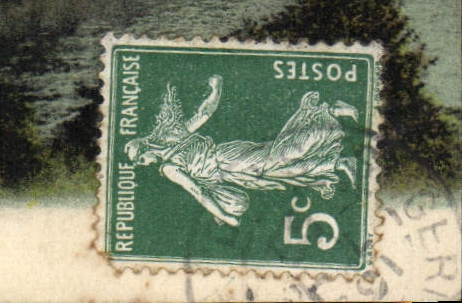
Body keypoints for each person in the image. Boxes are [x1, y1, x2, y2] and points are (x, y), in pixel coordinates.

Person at [126, 76, 360, 229]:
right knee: (281, 171)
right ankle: (339, 163)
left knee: (279, 158)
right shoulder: (174, 139)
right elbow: (205, 114)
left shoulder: (168, 166)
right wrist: (217, 88)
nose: (143, 164)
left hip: (227, 160)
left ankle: (331, 112)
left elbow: (198, 191)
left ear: (145, 149)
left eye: (140, 160)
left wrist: (226, 217)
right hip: (230, 170)